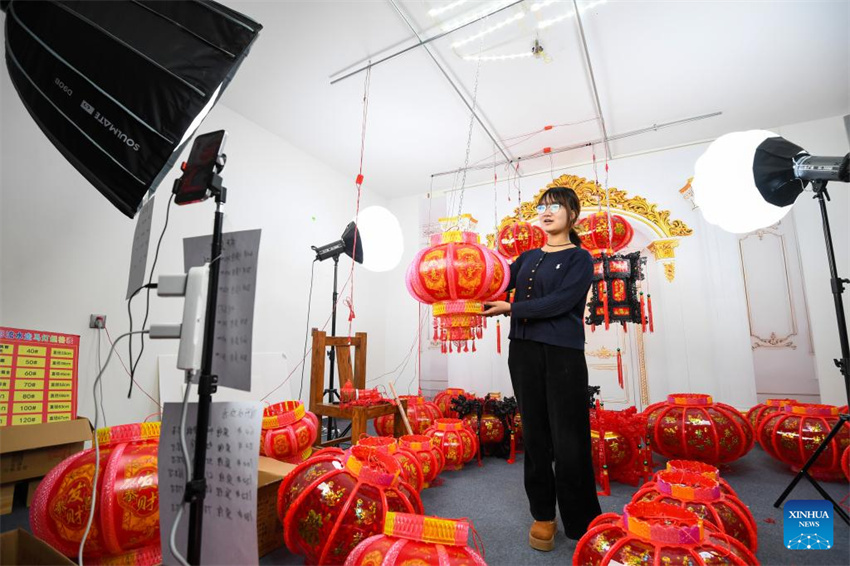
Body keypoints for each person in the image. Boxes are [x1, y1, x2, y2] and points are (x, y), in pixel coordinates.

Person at [483, 186, 601, 551]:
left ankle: (582, 521)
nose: (547, 211)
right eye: (542, 206)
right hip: (523, 352)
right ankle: (543, 515)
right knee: (534, 435)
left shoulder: (580, 258)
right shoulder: (527, 258)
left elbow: (560, 303)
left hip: (563, 353)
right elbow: (497, 283)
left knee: (569, 437)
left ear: (572, 214)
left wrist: (511, 310)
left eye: (555, 206)